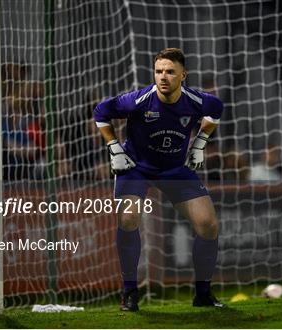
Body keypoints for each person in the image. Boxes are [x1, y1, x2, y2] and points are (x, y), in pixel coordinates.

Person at [93, 48, 225, 311]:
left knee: (208, 225)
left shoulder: (195, 101)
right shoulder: (138, 100)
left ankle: (203, 295)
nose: (163, 77)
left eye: (170, 72)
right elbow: (100, 112)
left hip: (174, 169)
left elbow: (216, 109)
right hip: (136, 168)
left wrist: (200, 143)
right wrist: (115, 148)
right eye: (159, 71)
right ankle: (130, 293)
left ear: (183, 75)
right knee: (129, 218)